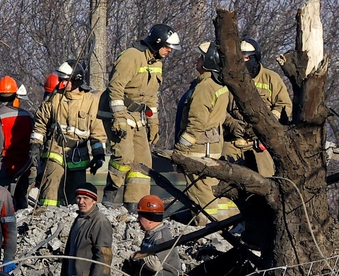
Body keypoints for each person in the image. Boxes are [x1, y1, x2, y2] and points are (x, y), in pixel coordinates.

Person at [103, 23, 180, 210]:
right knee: (125, 156)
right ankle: (111, 192)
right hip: (117, 112)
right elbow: (116, 88)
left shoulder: (156, 63)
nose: (169, 51)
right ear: (157, 42)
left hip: (138, 116)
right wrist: (119, 117)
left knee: (143, 161)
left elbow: (152, 96)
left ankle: (135, 204)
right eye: (167, 46)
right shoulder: (131, 56)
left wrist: (154, 122)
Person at [174, 43, 239, 222]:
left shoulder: (204, 87)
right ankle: (225, 224)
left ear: (209, 61)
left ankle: (207, 226)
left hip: (199, 148)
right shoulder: (218, 84)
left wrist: (180, 150)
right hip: (212, 147)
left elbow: (196, 123)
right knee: (211, 188)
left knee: (200, 192)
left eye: (201, 57)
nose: (197, 60)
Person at [30, 62, 107, 208]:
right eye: (61, 79)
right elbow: (40, 123)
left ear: (77, 79)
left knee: (76, 195)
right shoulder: (54, 99)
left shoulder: (90, 101)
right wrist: (35, 145)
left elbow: (98, 132)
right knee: (50, 190)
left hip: (78, 156)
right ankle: (47, 216)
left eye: (66, 80)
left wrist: (98, 155)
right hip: (55, 150)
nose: (62, 83)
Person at [224, 38, 293, 176]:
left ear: (255, 58)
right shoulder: (227, 78)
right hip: (233, 142)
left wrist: (269, 122)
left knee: (267, 179)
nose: (243, 62)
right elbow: (218, 109)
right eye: (240, 58)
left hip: (262, 144)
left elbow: (285, 105)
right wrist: (231, 123)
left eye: (247, 58)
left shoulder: (271, 78)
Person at [0, 76, 34, 204]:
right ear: (15, 95)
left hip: (4, 167)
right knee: (22, 200)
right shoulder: (27, 116)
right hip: (24, 166)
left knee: (3, 202)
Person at [125, 195, 187, 276]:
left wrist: (136, 256)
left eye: (140, 216)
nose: (137, 220)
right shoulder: (151, 234)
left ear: (149, 219)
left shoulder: (161, 236)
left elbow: (155, 265)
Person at [59, 186, 114, 276]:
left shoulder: (100, 222)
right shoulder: (80, 219)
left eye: (85, 198)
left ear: (94, 201)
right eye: (79, 198)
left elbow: (104, 257)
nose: (81, 202)